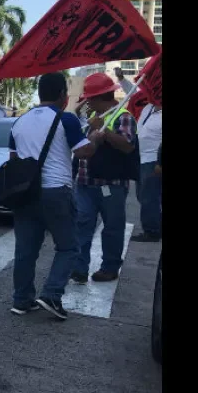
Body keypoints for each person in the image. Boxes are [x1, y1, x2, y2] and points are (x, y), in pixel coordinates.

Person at [8, 73, 98, 320]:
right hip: (56, 191)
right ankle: (51, 294)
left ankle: (21, 300)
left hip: (26, 194)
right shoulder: (65, 119)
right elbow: (85, 152)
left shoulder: (19, 122)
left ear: (39, 93)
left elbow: (14, 161)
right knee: (69, 247)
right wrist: (95, 137)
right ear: (62, 95)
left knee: (25, 250)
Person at [71, 73, 138, 284]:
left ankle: (109, 268)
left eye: (90, 97)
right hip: (85, 182)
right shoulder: (89, 117)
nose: (87, 101)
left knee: (112, 227)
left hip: (112, 184)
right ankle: (79, 268)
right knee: (82, 225)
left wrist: (105, 131)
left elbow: (127, 146)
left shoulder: (123, 116)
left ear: (101, 96)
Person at [131, 99, 162, 242]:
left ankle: (152, 231)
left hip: (153, 159)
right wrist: (121, 79)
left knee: (150, 197)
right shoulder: (148, 107)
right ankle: (155, 224)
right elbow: (134, 92)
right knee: (142, 195)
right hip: (141, 157)